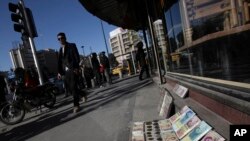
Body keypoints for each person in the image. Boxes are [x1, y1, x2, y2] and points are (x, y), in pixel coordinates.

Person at [57, 32, 82, 113]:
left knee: (74, 87)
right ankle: (83, 94)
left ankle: (76, 105)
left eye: (61, 38)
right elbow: (60, 62)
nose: (60, 40)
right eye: (58, 39)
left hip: (73, 69)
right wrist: (59, 72)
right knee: (70, 89)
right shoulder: (60, 50)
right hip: (65, 71)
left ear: (65, 38)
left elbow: (77, 57)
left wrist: (76, 68)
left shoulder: (72, 45)